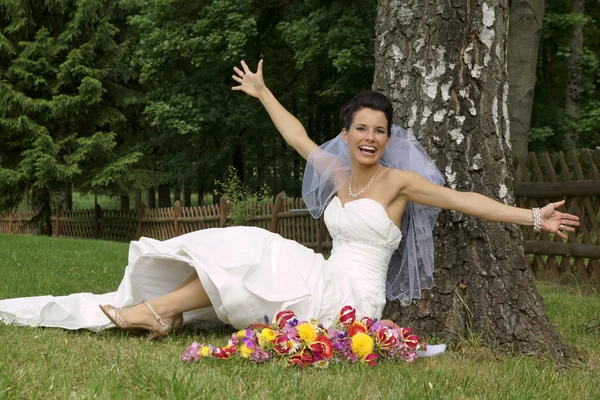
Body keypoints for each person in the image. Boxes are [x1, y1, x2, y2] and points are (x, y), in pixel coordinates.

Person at [0, 60, 579, 341]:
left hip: (353, 297)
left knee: (256, 250)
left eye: (380, 130)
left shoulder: (400, 183)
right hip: (322, 275)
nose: (371, 138)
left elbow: (463, 200)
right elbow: (298, 135)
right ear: (347, 133)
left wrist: (532, 215)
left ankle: (155, 314)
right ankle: (158, 313)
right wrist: (262, 91)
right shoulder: (334, 168)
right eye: (361, 129)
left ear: (389, 136)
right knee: (250, 251)